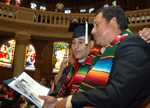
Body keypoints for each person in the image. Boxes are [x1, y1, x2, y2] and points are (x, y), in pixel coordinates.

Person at [39, 6, 150, 108]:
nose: (93, 30)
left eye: (97, 24)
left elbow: (117, 94)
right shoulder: (104, 54)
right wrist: (58, 101)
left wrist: (69, 101)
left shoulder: (132, 45)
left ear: (113, 22)